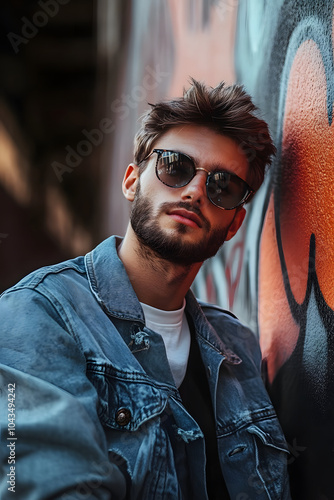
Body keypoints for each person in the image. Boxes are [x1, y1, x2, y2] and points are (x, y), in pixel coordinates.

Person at [0, 79, 291, 499]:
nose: (194, 191)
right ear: (133, 181)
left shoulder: (238, 348)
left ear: (234, 225)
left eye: (222, 186)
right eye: (175, 166)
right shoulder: (38, 312)